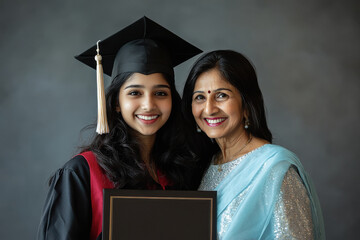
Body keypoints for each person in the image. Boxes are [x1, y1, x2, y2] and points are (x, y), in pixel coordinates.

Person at [37, 16, 202, 240]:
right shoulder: (83, 173)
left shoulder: (182, 168)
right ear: (116, 103)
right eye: (135, 93)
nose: (149, 104)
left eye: (160, 93)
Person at [181, 50, 325, 239]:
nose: (209, 109)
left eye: (222, 95)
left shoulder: (275, 168)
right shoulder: (204, 164)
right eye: (200, 97)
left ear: (247, 104)